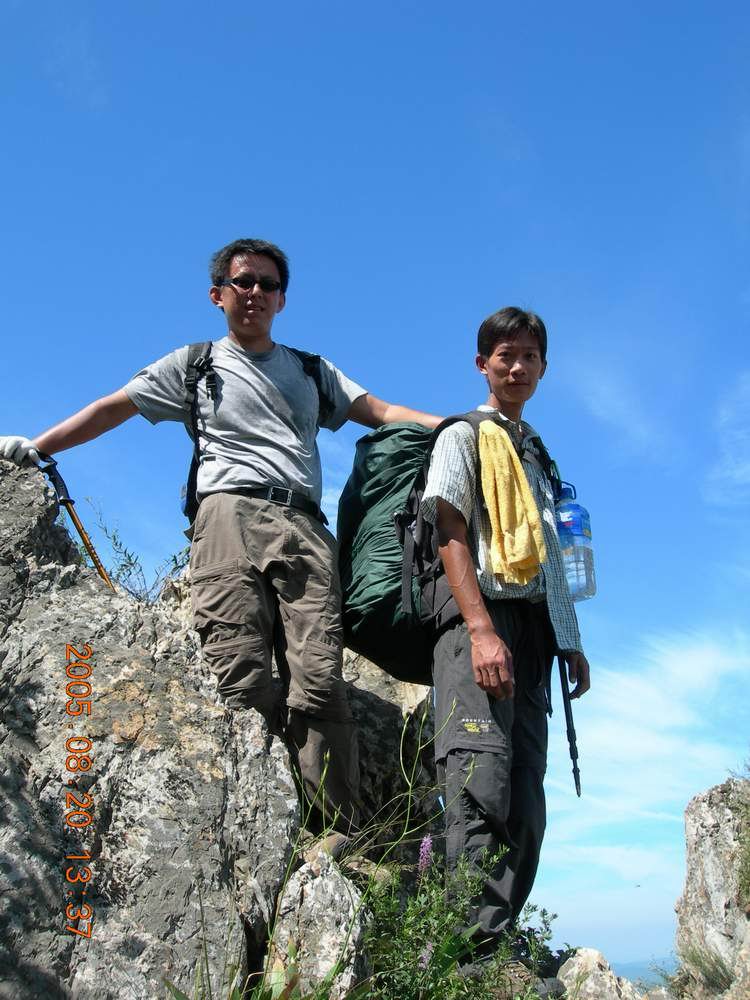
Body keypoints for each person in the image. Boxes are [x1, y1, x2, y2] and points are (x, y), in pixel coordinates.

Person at [0, 237, 441, 834]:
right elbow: (112, 407)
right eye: (243, 282)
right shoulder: (194, 364)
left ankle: (334, 832)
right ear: (218, 295)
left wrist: (462, 425)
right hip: (226, 518)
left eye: (268, 284)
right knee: (240, 671)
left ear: (282, 300)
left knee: (319, 677)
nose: (255, 292)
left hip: (305, 526)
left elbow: (382, 412)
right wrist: (37, 446)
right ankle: (254, 826)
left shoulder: (312, 370)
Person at [420, 306, 590, 958]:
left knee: (525, 794)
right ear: (482, 364)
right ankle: (464, 956)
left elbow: (550, 556)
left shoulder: (537, 454)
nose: (517, 367)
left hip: (535, 635)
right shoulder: (463, 436)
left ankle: (496, 942)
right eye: (505, 356)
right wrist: (481, 630)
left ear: (544, 367)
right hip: (480, 622)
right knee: (479, 780)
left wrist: (570, 641)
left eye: (529, 357)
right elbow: (450, 531)